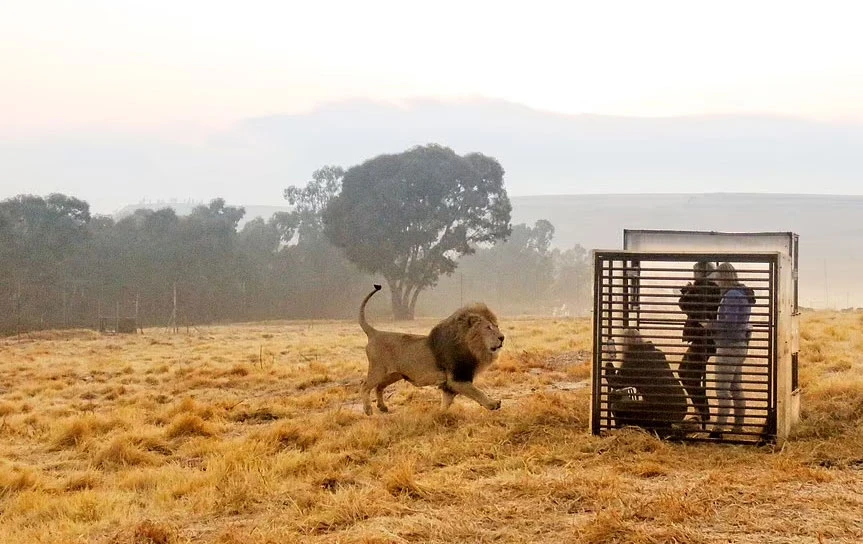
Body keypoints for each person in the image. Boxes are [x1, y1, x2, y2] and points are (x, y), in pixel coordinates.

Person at [704, 262, 756, 438]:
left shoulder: (732, 295)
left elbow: (730, 323)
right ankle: (738, 426)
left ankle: (718, 429)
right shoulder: (741, 293)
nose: (715, 281)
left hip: (729, 346)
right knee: (735, 387)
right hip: (739, 345)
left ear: (723, 277)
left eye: (718, 277)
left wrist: (711, 325)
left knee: (722, 389)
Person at [604, 328, 688, 436]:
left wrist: (608, 362)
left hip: (662, 408)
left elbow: (615, 383)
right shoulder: (657, 353)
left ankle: (630, 433)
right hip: (680, 405)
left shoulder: (633, 360)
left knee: (617, 406)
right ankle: (666, 428)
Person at [678, 261, 721, 429]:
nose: (693, 274)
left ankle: (702, 413)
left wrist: (688, 291)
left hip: (703, 338)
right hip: (705, 338)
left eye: (695, 271)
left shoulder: (704, 286)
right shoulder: (711, 287)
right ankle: (702, 412)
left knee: (686, 372)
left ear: (701, 272)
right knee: (692, 374)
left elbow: (685, 305)